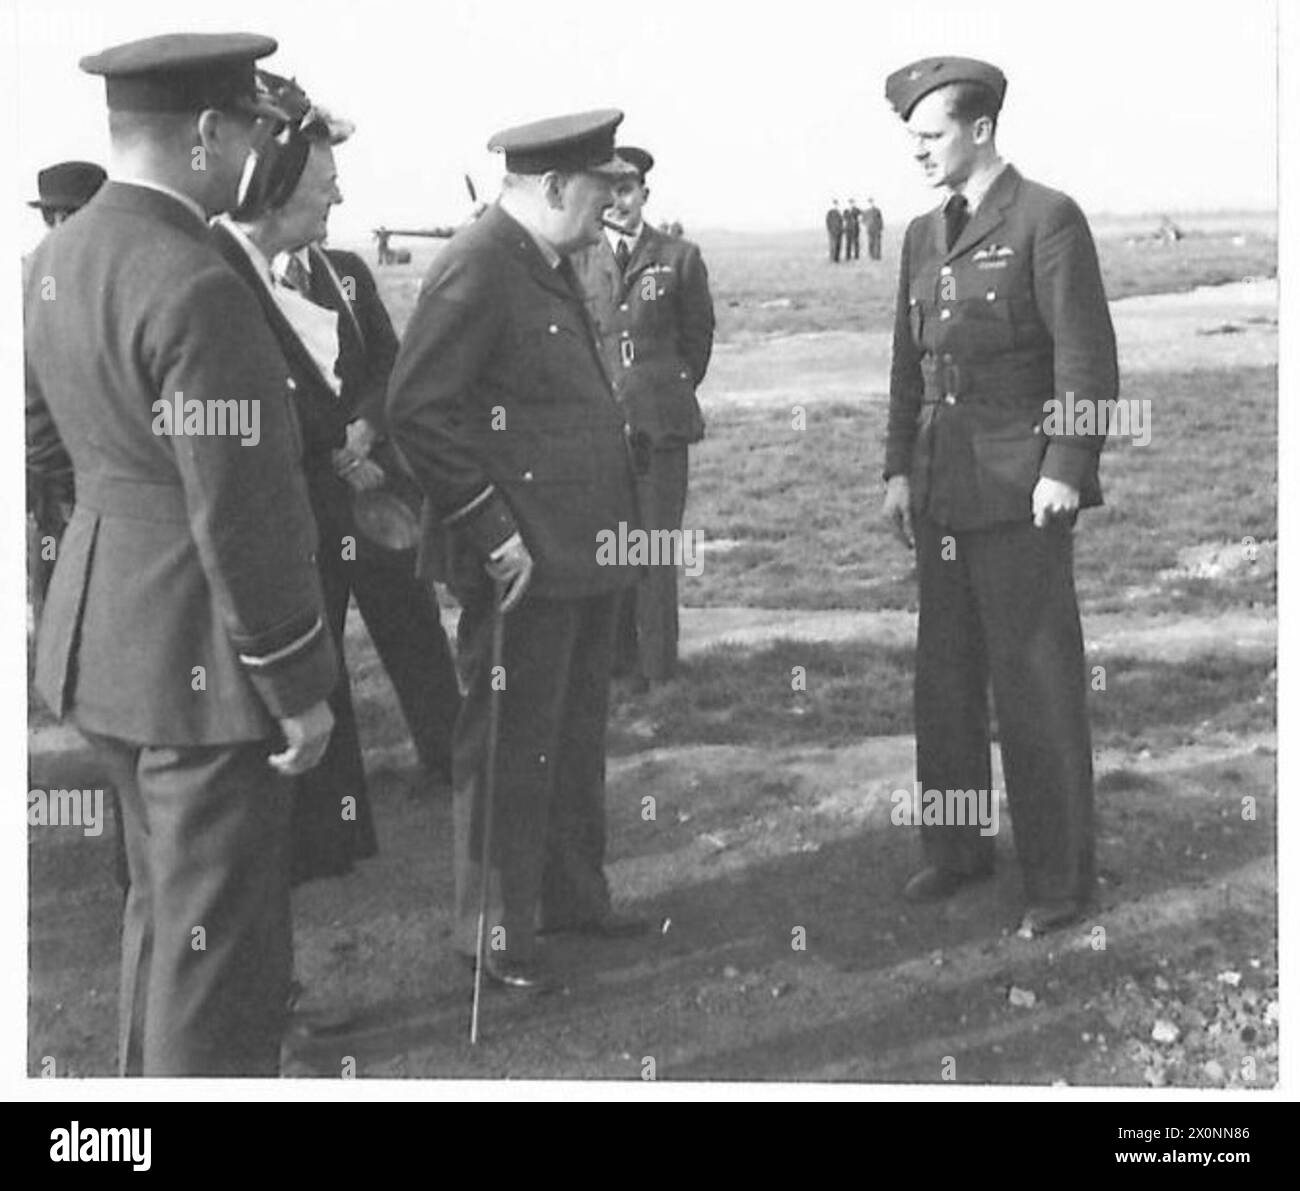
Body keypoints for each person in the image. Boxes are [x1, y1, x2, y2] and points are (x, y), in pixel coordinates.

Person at [25, 33, 338, 1075]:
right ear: (207, 133)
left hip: (106, 637)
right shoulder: (198, 279)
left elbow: (46, 445)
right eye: (248, 124)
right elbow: (240, 507)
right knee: (218, 957)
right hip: (201, 659)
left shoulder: (55, 258)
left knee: (162, 922)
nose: (256, 143)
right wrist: (295, 678)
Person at [388, 109, 648, 991]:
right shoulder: (480, 262)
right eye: (601, 190)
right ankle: (493, 933)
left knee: (572, 737)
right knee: (508, 743)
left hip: (577, 554)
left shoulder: (544, 261)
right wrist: (492, 529)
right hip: (521, 560)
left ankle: (573, 898)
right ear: (552, 188)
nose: (612, 206)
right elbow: (419, 409)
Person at [881, 56, 1118, 937]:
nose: (918, 152)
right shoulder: (917, 234)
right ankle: (956, 851)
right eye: (911, 138)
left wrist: (1066, 463)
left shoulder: (1048, 219)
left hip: (1023, 493)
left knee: (1036, 682)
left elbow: (1085, 358)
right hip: (945, 487)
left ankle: (1060, 876)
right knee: (943, 681)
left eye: (931, 135)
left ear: (979, 130)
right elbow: (909, 365)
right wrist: (897, 468)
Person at [573, 145, 715, 688]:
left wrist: (662, 390)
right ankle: (617, 664)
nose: (618, 201)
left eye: (628, 190)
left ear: (644, 195)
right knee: (612, 548)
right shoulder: (578, 259)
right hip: (601, 430)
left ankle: (659, 669)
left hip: (661, 427)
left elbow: (697, 341)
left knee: (655, 548)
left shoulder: (679, 257)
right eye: (609, 191)